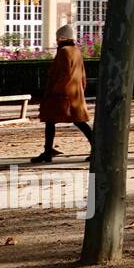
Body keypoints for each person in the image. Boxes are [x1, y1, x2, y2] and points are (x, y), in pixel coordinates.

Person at [31, 25, 94, 164]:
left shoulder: (64, 51)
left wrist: (54, 90)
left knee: (52, 120)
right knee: (78, 121)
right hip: (74, 93)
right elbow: (82, 73)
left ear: (61, 38)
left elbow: (65, 74)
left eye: (58, 38)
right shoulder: (76, 51)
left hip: (62, 94)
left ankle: (48, 152)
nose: (57, 40)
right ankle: (48, 151)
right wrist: (81, 89)